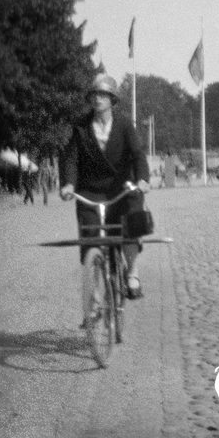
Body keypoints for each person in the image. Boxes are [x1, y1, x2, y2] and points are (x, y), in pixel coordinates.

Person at [59, 74, 151, 298]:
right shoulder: (81, 126)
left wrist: (143, 179)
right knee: (90, 233)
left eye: (103, 94)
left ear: (112, 99)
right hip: (90, 190)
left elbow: (138, 154)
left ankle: (132, 271)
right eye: (94, 94)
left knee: (132, 217)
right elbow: (71, 159)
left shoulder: (124, 125)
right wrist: (69, 184)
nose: (97, 98)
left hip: (121, 188)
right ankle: (95, 286)